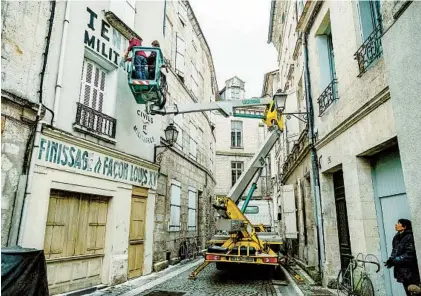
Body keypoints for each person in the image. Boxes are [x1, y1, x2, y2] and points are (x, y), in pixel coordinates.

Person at [385, 219, 420, 295]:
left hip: (411, 271)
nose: (396, 225)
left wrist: (395, 260)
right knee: (408, 292)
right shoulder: (396, 237)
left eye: (398, 223)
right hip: (401, 272)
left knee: (415, 292)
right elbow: (394, 251)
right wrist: (390, 260)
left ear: (404, 226)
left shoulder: (410, 237)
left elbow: (410, 254)